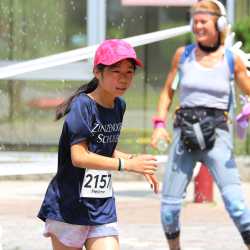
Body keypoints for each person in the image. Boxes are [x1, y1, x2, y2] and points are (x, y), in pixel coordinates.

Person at [38, 39, 159, 250]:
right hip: (69, 206)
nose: (123, 79)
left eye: (129, 72)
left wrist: (134, 161)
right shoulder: (83, 105)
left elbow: (103, 149)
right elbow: (80, 157)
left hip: (101, 207)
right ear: (97, 72)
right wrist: (127, 166)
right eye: (115, 71)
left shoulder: (119, 105)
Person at [151, 1, 250, 250]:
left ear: (219, 24)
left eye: (203, 21)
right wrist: (159, 124)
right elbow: (166, 92)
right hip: (184, 132)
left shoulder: (232, 60)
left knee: (237, 205)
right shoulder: (182, 55)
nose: (197, 25)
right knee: (169, 210)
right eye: (194, 21)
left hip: (217, 133)